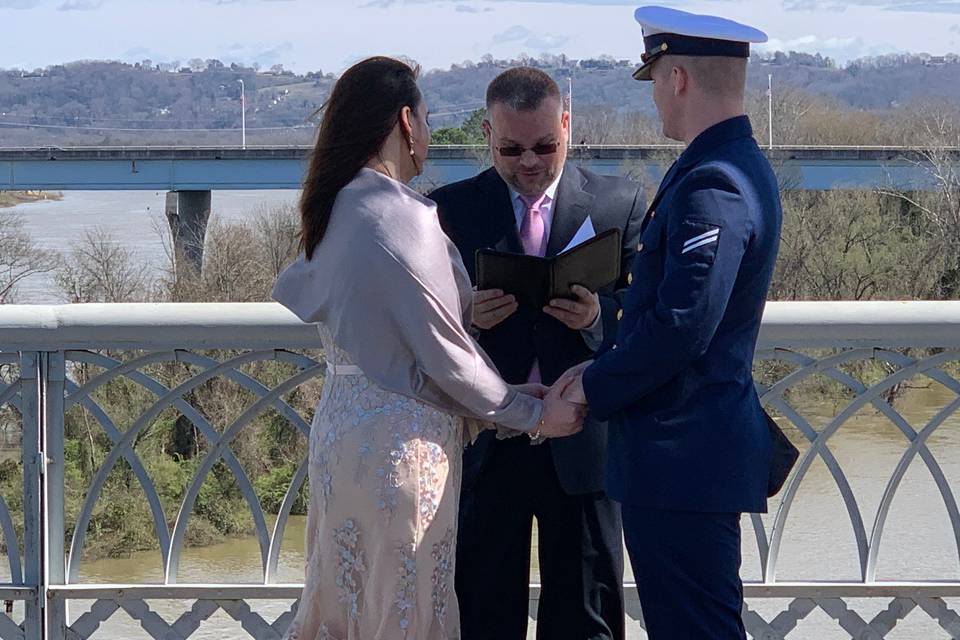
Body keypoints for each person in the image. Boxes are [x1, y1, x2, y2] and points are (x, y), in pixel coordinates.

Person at [271, 56, 586, 640]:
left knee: (345, 607)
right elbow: (447, 359)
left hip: (341, 437)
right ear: (407, 122)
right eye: (428, 119)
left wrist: (510, 391)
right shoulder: (402, 216)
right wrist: (535, 413)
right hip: (403, 450)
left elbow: (390, 340)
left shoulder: (334, 207)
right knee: (407, 610)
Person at [560, 6, 782, 639]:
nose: (655, 94)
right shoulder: (723, 164)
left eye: (654, 77)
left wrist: (592, 387)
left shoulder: (716, 181)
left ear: (677, 77)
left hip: (681, 458)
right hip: (688, 458)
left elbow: (682, 326)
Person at [430, 67, 645, 640]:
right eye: (511, 148)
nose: (529, 162)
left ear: (567, 128)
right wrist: (464, 315)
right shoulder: (444, 211)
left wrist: (600, 316)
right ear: (487, 134)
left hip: (581, 438)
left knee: (587, 615)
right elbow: (421, 326)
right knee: (480, 611)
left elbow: (649, 317)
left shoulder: (620, 202)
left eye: (545, 146)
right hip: (487, 441)